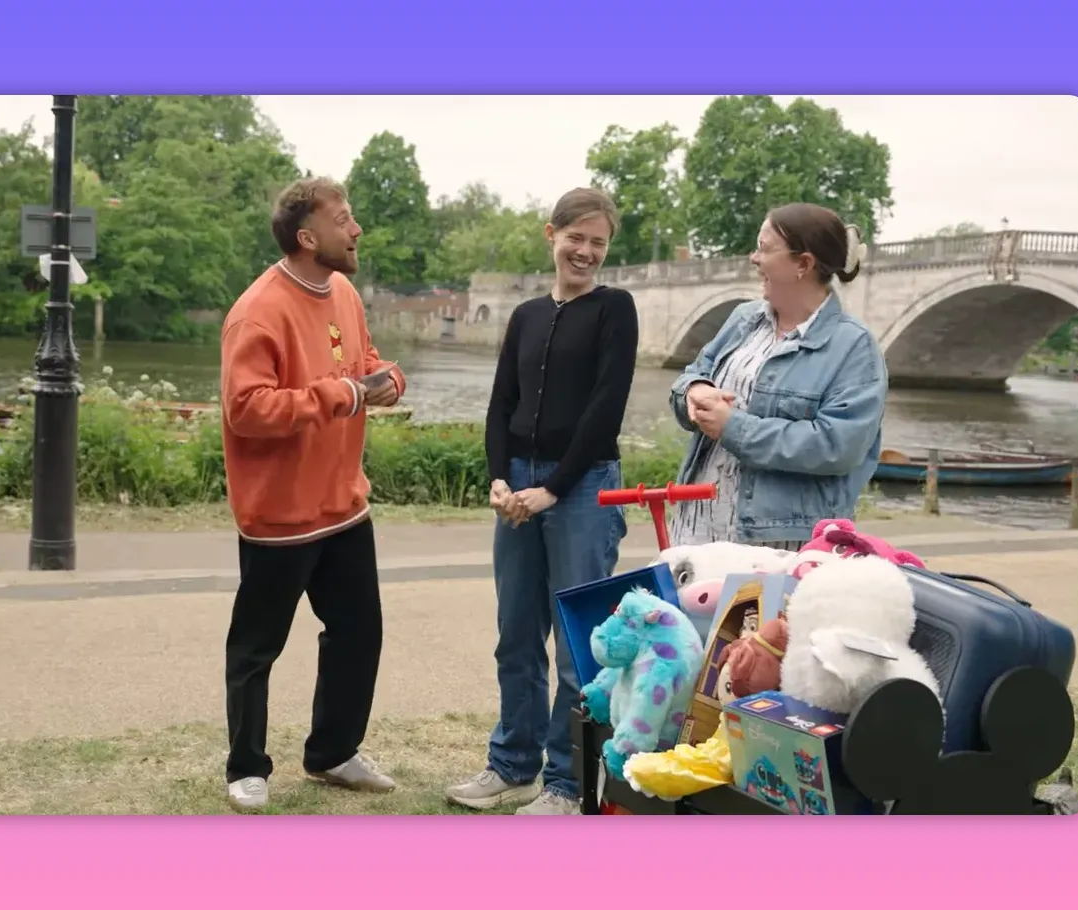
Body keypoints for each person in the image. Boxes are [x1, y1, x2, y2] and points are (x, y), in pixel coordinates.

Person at [446, 187, 639, 816]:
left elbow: (604, 407)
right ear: (550, 234)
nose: (584, 252)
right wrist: (500, 479)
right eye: (575, 237)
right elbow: (501, 402)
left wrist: (552, 488)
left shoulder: (616, 309)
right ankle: (512, 765)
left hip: (581, 485)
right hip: (519, 485)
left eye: (598, 242)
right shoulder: (527, 315)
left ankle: (567, 780)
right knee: (515, 633)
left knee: (578, 642)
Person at [218, 176, 408, 812]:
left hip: (344, 505)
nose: (356, 230)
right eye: (344, 220)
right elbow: (246, 409)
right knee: (256, 646)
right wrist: (346, 395)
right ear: (308, 237)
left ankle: (332, 752)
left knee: (360, 631)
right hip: (280, 517)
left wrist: (384, 379)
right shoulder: (257, 311)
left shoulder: (345, 292)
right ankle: (246, 765)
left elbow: (362, 361)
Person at [668, 202, 888, 552]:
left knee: (760, 610)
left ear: (803, 264)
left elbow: (838, 446)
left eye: (764, 249)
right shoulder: (744, 319)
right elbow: (693, 374)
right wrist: (694, 392)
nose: (754, 258)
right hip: (695, 526)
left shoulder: (854, 347)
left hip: (776, 544)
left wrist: (733, 427)